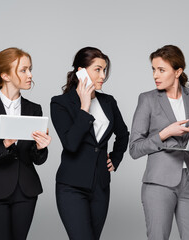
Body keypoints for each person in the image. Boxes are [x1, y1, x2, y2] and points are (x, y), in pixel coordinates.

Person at [129, 45, 189, 240]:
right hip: (158, 184)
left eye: (161, 70)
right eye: (153, 69)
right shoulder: (147, 99)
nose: (156, 75)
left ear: (178, 72)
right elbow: (135, 148)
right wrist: (164, 133)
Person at [0, 47, 51, 240]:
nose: (30, 75)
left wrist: (41, 147)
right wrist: (4, 144)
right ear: (5, 75)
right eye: (23, 70)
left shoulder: (34, 109)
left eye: (30, 69)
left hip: (26, 191)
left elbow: (37, 159)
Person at [50, 47, 129, 240]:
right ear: (81, 71)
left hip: (100, 187)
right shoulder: (60, 103)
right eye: (98, 69)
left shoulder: (108, 102)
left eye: (104, 70)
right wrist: (84, 107)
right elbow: (70, 143)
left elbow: (123, 134)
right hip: (71, 187)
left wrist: (115, 158)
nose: (103, 75)